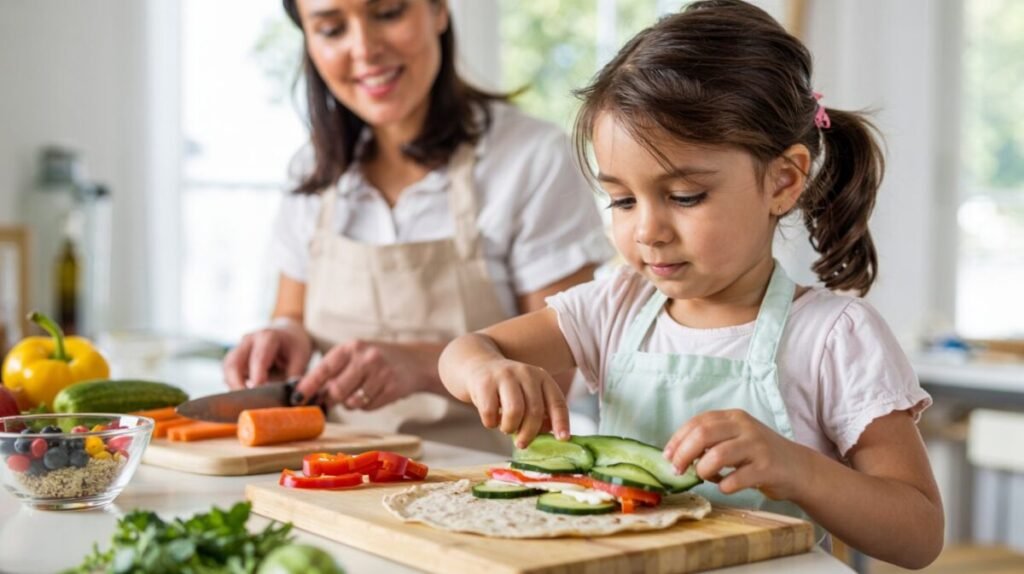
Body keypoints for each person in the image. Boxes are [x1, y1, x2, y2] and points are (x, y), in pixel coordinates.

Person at [438, 0, 943, 567]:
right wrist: (488, 369)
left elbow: (920, 534)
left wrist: (798, 468)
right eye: (623, 200)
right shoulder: (616, 306)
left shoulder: (834, 337)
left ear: (783, 180)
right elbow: (464, 351)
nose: (648, 230)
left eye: (684, 197)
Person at [223, 0, 613, 453]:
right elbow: (291, 313)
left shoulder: (531, 159)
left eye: (388, 13)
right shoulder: (311, 169)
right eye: (331, 29)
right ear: (308, 42)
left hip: (484, 481)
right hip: (329, 473)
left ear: (439, 11)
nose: (364, 49)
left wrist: (419, 366)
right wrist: (284, 337)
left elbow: (560, 377)